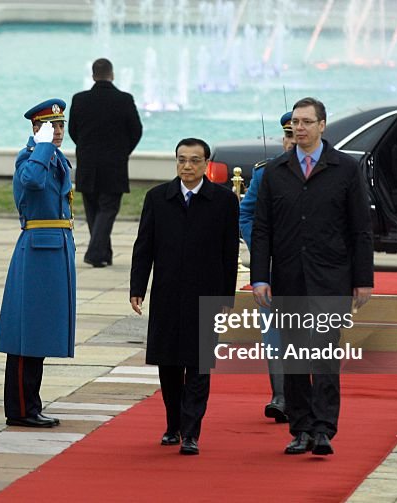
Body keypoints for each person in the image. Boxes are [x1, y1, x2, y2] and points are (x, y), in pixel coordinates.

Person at [249, 97, 374, 456]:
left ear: (322, 125)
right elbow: (262, 230)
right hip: (288, 277)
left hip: (331, 278)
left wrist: (363, 279)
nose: (299, 128)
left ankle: (323, 429)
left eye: (306, 122)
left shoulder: (344, 169)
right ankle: (300, 427)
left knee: (323, 356)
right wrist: (260, 277)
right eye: (295, 124)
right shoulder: (276, 171)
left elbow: (360, 230)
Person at [129, 137, 239, 456]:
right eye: (181, 160)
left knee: (198, 365)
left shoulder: (223, 201)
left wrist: (225, 300)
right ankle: (173, 425)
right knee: (169, 363)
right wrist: (138, 288)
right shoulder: (157, 198)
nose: (187, 166)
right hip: (166, 294)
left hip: (205, 297)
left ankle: (191, 432)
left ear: (206, 164)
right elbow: (144, 247)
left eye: (194, 160)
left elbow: (228, 252)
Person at [0, 99, 75, 428]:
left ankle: (31, 404)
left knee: (39, 333)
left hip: (55, 249)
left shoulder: (54, 158)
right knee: (26, 333)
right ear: (36, 128)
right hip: (38, 249)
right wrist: (41, 146)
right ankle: (20, 409)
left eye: (60, 125)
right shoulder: (31, 157)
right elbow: (31, 183)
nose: (57, 131)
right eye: (50, 126)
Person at [238, 111, 293, 423]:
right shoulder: (265, 173)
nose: (290, 141)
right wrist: (259, 245)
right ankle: (280, 395)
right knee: (274, 332)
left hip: (308, 267)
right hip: (272, 267)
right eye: (286, 135)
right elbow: (246, 214)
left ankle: (303, 395)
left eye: (295, 133)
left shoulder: (326, 171)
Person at [69, 58, 143, 268]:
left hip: (87, 163)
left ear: (93, 76)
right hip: (114, 164)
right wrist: (123, 151)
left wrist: (86, 149)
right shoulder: (124, 99)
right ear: (112, 75)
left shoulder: (79, 99)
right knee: (108, 209)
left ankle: (103, 253)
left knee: (93, 209)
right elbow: (136, 130)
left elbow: (73, 131)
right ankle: (96, 253)